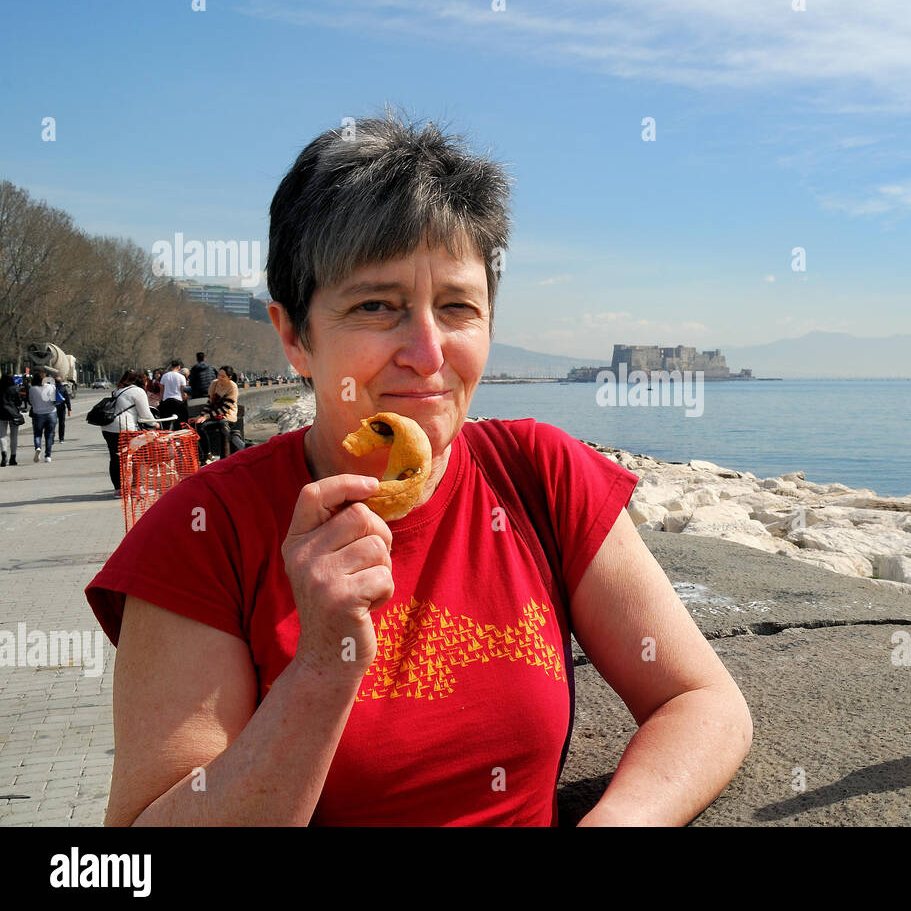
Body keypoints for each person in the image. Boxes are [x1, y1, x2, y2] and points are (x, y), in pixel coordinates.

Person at [86, 112, 752, 827]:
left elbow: (702, 702)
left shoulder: (538, 473)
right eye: (378, 306)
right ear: (295, 338)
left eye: (458, 307)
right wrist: (319, 670)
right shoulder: (204, 531)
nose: (428, 354)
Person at [98, 370, 160, 495]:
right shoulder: (138, 391)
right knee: (141, 455)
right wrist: (155, 424)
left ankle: (118, 489)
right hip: (124, 428)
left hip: (108, 428)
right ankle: (138, 487)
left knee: (116, 458)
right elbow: (146, 415)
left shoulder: (119, 390)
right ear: (142, 381)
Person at [191, 365, 240, 461]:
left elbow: (225, 408)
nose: (219, 378)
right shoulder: (214, 384)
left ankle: (225, 458)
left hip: (227, 416)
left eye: (223, 376)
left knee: (222, 424)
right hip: (214, 415)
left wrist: (206, 417)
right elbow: (210, 403)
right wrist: (200, 416)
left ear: (229, 377)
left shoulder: (232, 387)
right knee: (198, 425)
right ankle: (207, 454)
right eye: (219, 375)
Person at [27, 371, 58, 463]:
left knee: (37, 434)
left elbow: (30, 401)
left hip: (38, 413)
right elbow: (55, 399)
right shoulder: (51, 387)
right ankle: (48, 456)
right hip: (51, 412)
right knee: (49, 435)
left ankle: (38, 447)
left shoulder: (32, 389)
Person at [158, 360, 189, 432]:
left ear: (171, 366)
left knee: (166, 423)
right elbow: (183, 391)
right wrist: (185, 400)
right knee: (179, 423)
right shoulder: (181, 377)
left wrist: (160, 400)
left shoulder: (164, 376)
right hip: (178, 401)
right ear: (179, 367)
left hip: (167, 401)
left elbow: (162, 390)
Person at [0, 375, 23, 467]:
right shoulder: (15, 388)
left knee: (2, 435)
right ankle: (13, 457)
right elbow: (19, 402)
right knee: (14, 436)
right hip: (13, 414)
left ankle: (4, 454)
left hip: (1, 413)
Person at [54, 376, 73, 442]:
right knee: (61, 423)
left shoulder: (52, 388)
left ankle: (52, 437)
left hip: (53, 408)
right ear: (61, 381)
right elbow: (67, 399)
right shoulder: (63, 388)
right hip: (61, 407)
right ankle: (61, 438)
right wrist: (69, 408)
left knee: (53, 423)